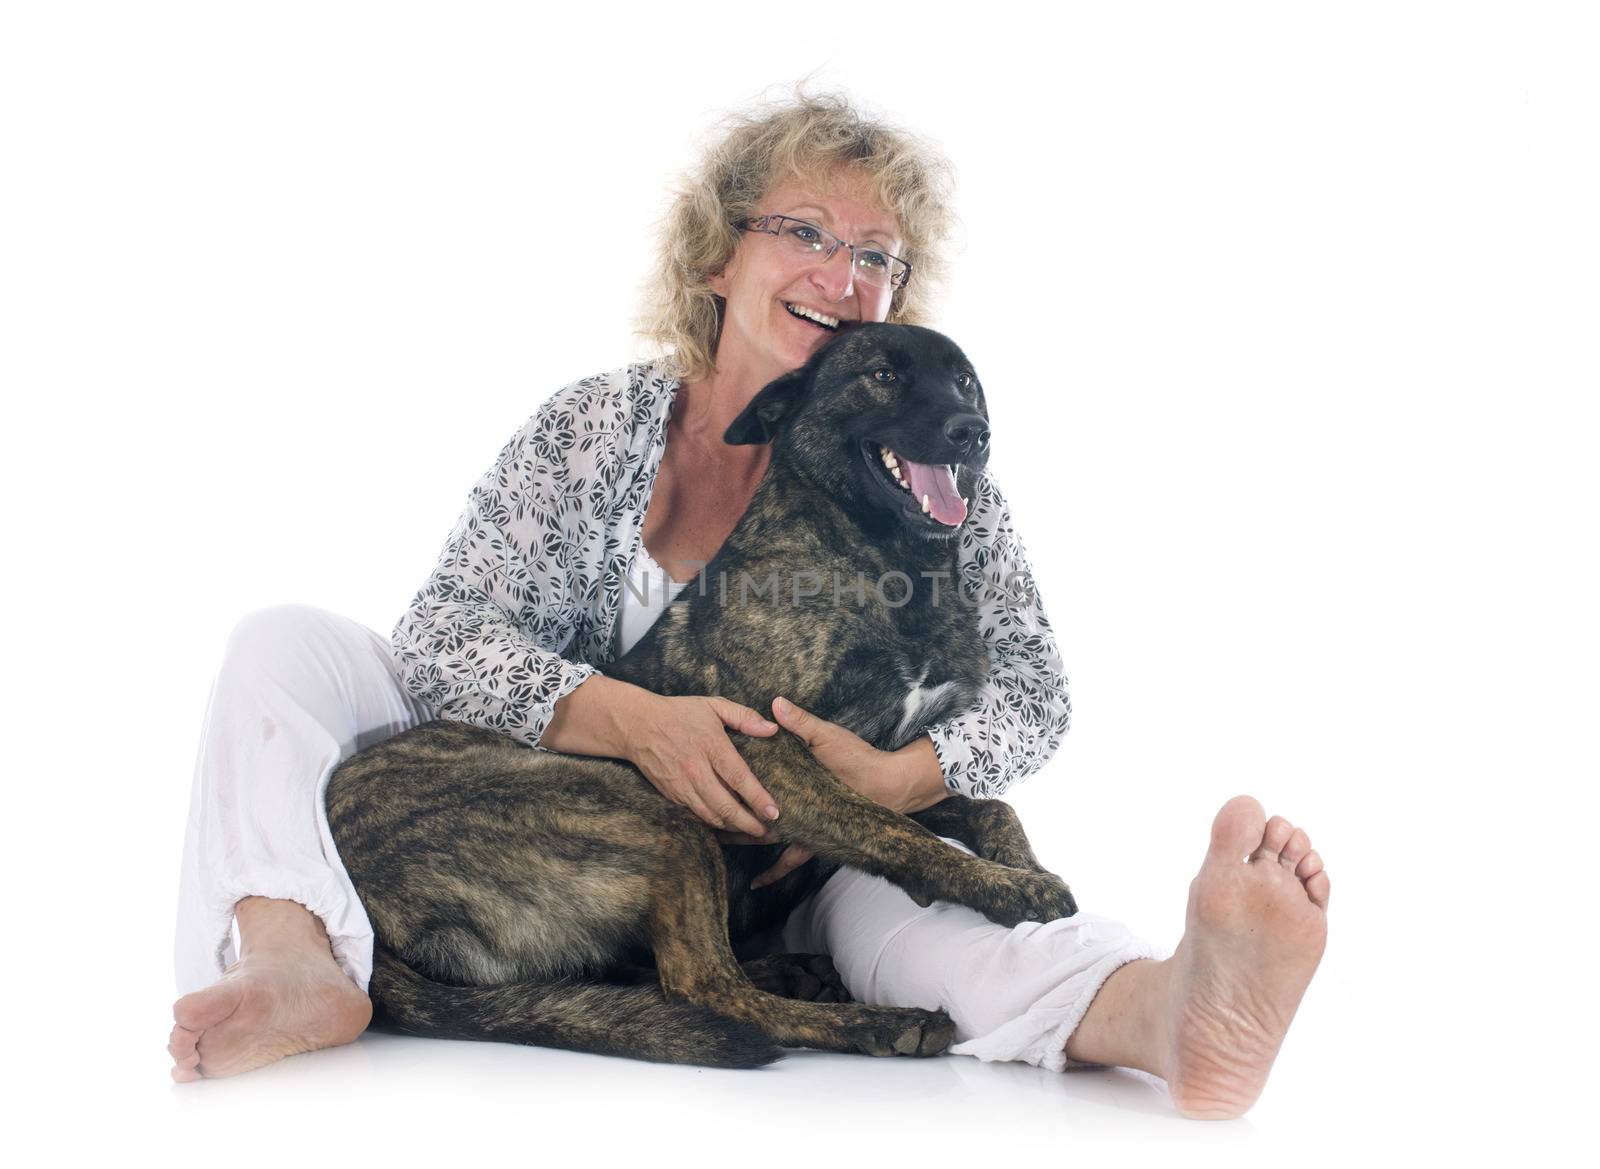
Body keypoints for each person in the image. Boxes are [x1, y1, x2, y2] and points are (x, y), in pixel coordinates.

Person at [168, 92, 1328, 1119]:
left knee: (928, 937)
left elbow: (1033, 692)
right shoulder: (595, 429)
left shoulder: (920, 467)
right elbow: (438, 642)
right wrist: (628, 718)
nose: (846, 274)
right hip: (529, 811)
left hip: (792, 861)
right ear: (717, 258)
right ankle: (293, 956)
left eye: (878, 255)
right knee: (282, 648)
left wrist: (904, 780)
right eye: (809, 234)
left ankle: (1169, 1010)